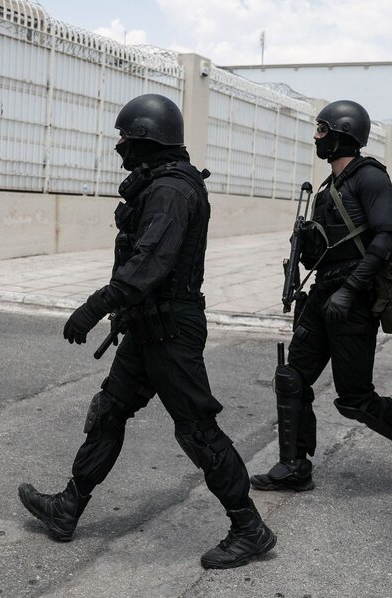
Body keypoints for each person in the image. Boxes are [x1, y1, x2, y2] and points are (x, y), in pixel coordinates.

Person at [17, 94, 276, 570]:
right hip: (147, 326)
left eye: (125, 138)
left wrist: (93, 307)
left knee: (198, 432)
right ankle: (68, 507)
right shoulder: (160, 183)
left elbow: (149, 264)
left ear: (147, 139)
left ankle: (249, 529)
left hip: (171, 332)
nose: (119, 146)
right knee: (109, 411)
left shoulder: (172, 190)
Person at [249, 100, 392, 494]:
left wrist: (349, 290)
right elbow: (327, 249)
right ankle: (294, 465)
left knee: (355, 398)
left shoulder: (370, 177)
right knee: (292, 378)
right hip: (323, 293)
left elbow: (385, 238)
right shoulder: (329, 187)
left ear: (343, 133)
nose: (316, 137)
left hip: (352, 299)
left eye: (322, 130)